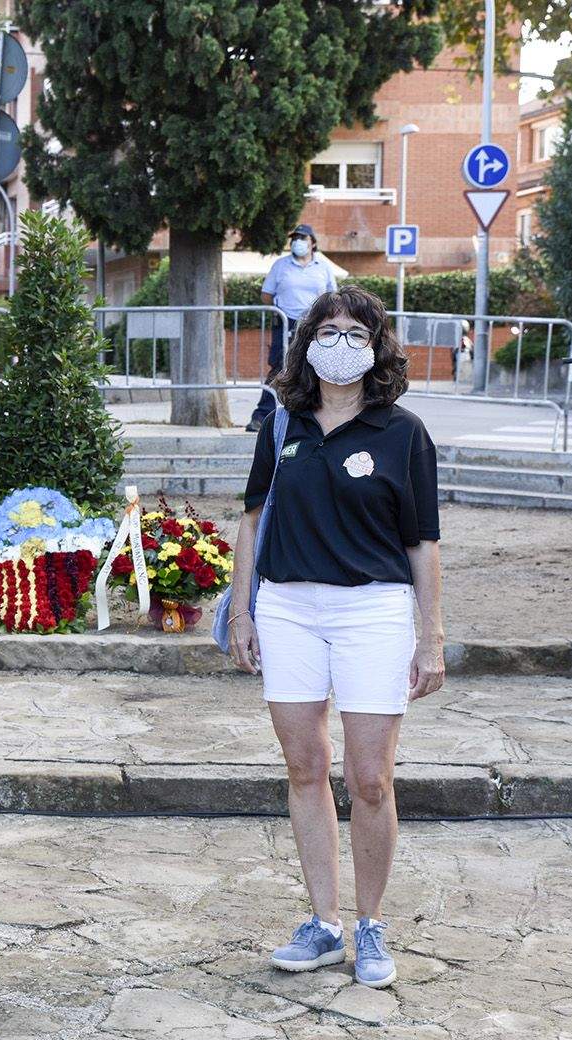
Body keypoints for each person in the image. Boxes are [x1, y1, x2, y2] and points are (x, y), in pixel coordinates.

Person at [226, 285, 445, 990]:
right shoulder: (281, 425)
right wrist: (241, 610)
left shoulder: (403, 433)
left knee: (370, 779)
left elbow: (423, 543)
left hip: (373, 612)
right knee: (304, 768)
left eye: (358, 331)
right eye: (330, 329)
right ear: (307, 340)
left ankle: (371, 925)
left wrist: (430, 635)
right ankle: (322, 923)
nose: (341, 342)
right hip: (289, 606)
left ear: (377, 346)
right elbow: (253, 522)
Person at [250, 223, 338, 432]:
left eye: (303, 238)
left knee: (318, 368)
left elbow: (333, 296)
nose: (297, 242)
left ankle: (317, 415)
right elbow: (266, 294)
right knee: (279, 368)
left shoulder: (323, 267)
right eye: (295, 238)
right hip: (286, 321)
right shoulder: (281, 265)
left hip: (315, 324)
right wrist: (278, 311)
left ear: (312, 243)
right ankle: (263, 415)